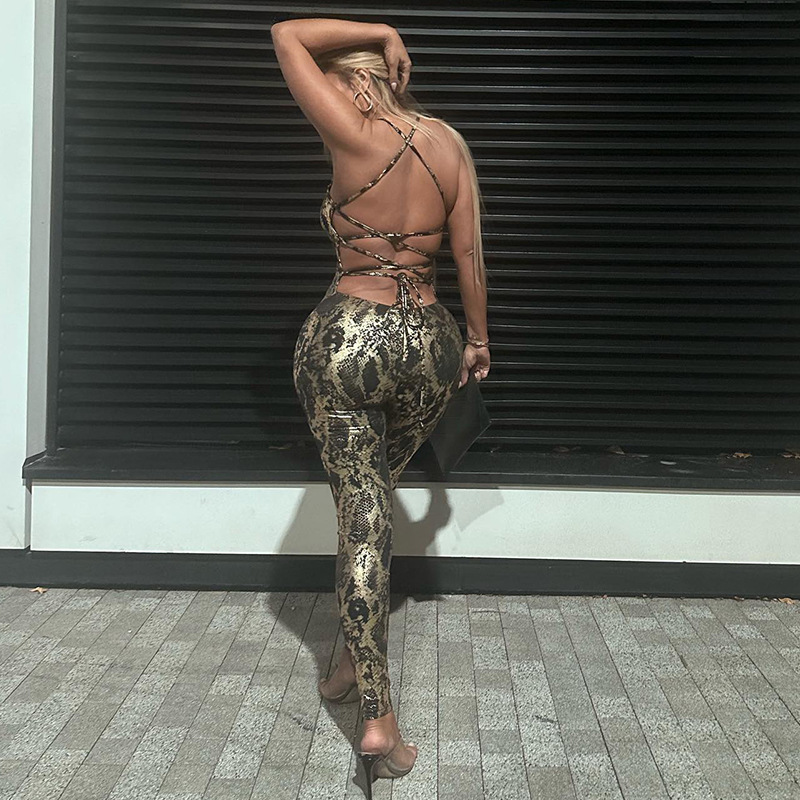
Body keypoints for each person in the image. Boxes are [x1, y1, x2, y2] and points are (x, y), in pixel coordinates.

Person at [272, 17, 490, 794]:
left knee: (362, 519)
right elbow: (468, 253)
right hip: (430, 344)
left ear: (361, 80)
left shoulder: (353, 131)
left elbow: (284, 34)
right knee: (374, 501)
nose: (326, 98)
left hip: (348, 338)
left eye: (336, 82)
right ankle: (344, 662)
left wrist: (380, 28)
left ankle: (378, 717)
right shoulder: (450, 144)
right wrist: (477, 341)